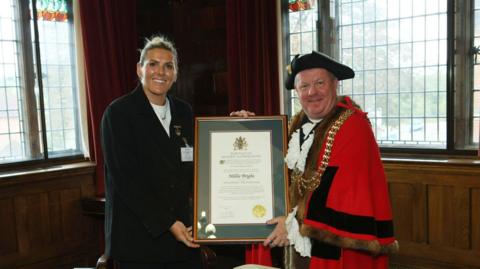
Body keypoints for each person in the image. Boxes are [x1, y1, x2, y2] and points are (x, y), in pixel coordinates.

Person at [232, 51, 398, 269]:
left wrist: (291, 224)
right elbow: (273, 167)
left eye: (320, 83)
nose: (312, 92)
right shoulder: (295, 125)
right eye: (304, 86)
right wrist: (247, 129)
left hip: (333, 249)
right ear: (297, 92)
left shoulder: (353, 126)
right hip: (288, 240)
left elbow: (338, 192)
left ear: (335, 84)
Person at [100, 35, 201, 269]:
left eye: (169, 66)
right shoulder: (118, 114)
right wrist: (167, 223)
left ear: (176, 73)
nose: (161, 72)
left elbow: (200, 162)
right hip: (140, 242)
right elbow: (126, 180)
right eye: (152, 64)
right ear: (139, 69)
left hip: (184, 238)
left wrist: (235, 128)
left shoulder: (184, 112)